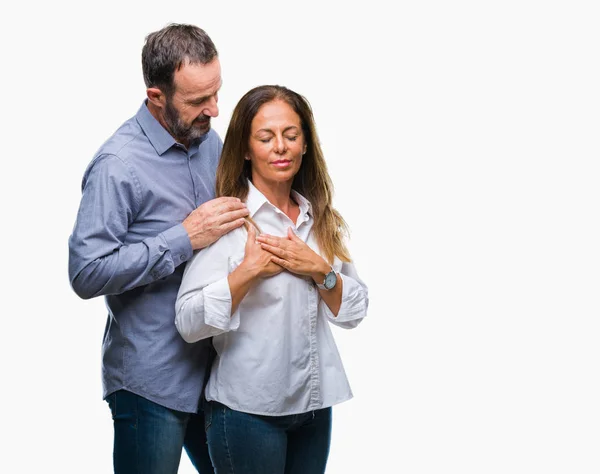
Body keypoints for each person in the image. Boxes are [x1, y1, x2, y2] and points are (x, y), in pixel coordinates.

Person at [68, 23, 249, 474]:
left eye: (216, 92)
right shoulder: (117, 166)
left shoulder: (208, 138)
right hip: (152, 380)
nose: (214, 110)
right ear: (156, 97)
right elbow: (85, 272)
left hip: (215, 374)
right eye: (196, 101)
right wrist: (184, 237)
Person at [175, 85, 369, 474]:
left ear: (305, 145)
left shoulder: (322, 220)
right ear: (246, 149)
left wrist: (318, 269)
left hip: (313, 410)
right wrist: (247, 272)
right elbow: (187, 321)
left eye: (291, 136)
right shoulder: (229, 219)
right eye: (266, 137)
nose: (280, 147)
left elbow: (354, 311)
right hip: (247, 414)